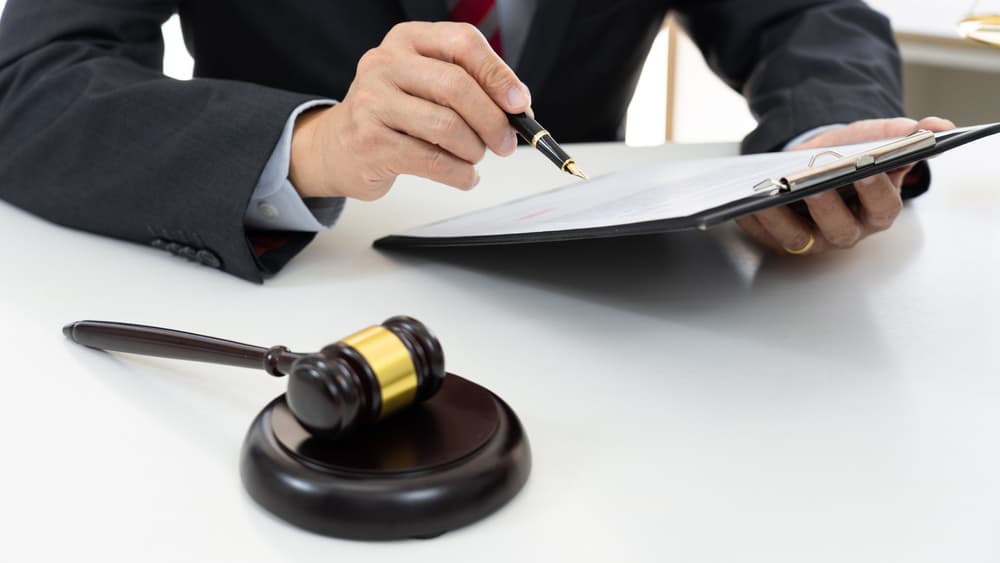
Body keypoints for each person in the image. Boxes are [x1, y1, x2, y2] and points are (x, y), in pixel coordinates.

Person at [0, 0, 953, 282]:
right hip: (306, 309)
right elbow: (28, 77)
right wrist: (313, 146)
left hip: (617, 308)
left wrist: (818, 147)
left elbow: (810, 17)